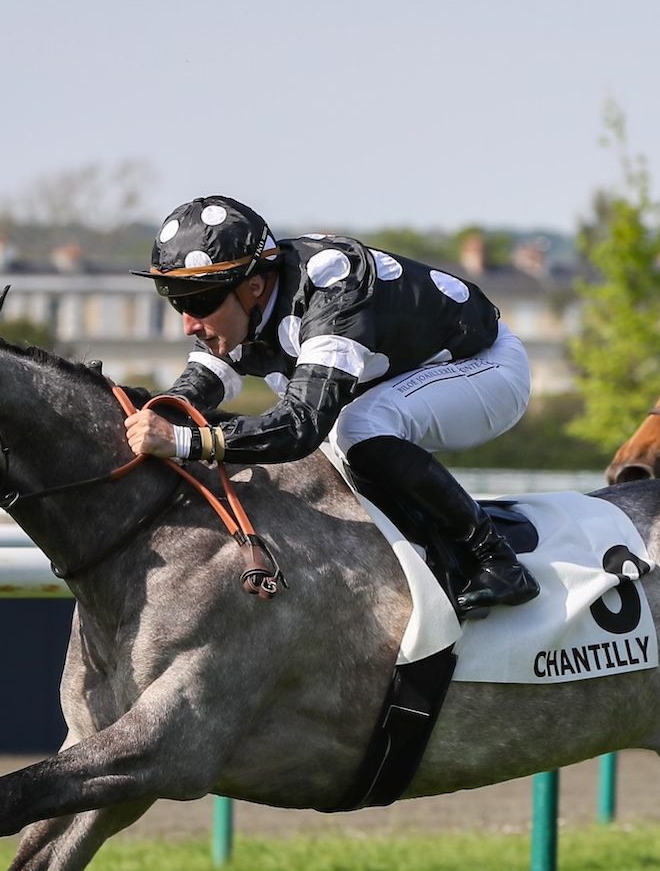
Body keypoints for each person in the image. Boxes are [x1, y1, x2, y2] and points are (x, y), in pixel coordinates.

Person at [126, 196, 538, 618]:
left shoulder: (331, 290)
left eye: (198, 303)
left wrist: (182, 441)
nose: (188, 324)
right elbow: (191, 394)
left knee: (357, 427)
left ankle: (495, 561)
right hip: (404, 377)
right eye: (178, 303)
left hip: (486, 368)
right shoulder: (245, 304)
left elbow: (300, 426)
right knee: (345, 442)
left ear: (252, 286)